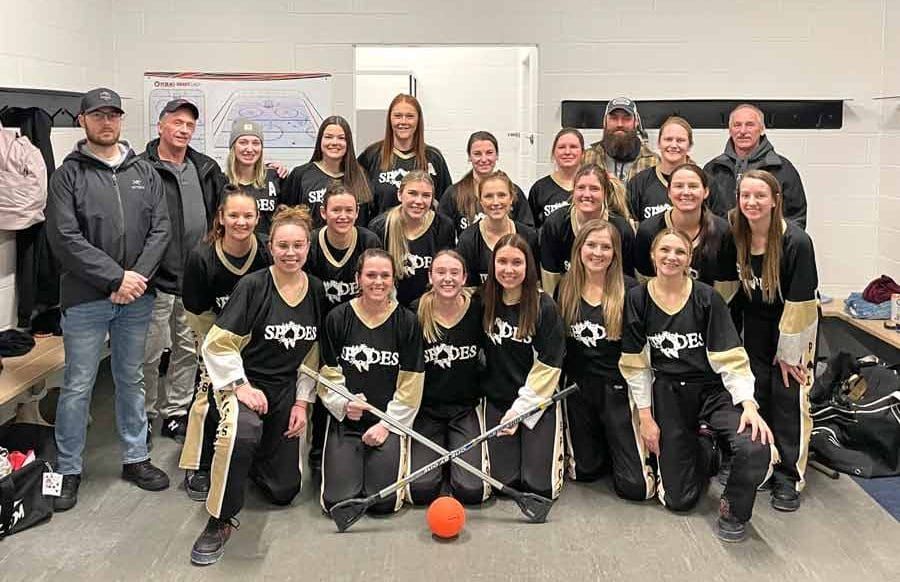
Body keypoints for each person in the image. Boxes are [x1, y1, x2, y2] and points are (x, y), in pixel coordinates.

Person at [46, 87, 171, 511]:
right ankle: (67, 469)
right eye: (97, 115)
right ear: (82, 120)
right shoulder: (67, 175)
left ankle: (136, 458)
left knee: (130, 379)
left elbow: (161, 230)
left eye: (113, 115)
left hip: (136, 297)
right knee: (78, 385)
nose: (106, 122)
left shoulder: (144, 171)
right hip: (85, 298)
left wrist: (134, 280)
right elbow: (64, 238)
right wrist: (116, 277)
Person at [619, 228, 774, 542]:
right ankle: (707, 449)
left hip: (712, 389)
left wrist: (748, 405)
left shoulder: (707, 298)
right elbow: (635, 366)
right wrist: (646, 418)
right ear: (652, 255)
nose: (671, 257)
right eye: (665, 250)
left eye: (679, 252)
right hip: (669, 391)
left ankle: (734, 510)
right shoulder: (637, 299)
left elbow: (731, 357)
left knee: (755, 445)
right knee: (679, 500)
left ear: (689, 259)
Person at [190, 206, 325, 565]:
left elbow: (312, 353)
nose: (291, 253)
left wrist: (301, 404)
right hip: (247, 380)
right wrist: (239, 386)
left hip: (285, 387)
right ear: (271, 247)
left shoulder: (316, 289)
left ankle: (248, 464)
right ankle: (219, 519)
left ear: (308, 247)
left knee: (284, 491)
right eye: (283, 245)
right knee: (242, 431)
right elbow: (216, 343)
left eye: (298, 245)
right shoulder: (252, 286)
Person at [730, 169, 818, 512]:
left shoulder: (796, 242)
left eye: (760, 196)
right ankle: (764, 465)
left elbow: (800, 302)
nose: (752, 202)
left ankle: (788, 475)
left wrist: (789, 354)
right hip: (753, 328)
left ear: (775, 201)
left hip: (792, 329)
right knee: (757, 397)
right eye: (745, 196)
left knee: (788, 400)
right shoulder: (735, 236)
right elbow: (728, 292)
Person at [141, 98, 227, 444]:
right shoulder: (141, 168)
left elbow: (229, 205)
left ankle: (176, 412)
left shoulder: (203, 167)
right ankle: (144, 414)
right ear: (161, 125)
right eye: (177, 122)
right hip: (154, 280)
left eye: (190, 125)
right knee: (147, 354)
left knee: (187, 351)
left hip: (192, 280)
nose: (183, 130)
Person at [179, 185, 271, 502]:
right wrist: (217, 350)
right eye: (234, 215)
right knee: (208, 391)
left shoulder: (265, 252)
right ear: (221, 217)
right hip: (216, 339)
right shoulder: (201, 258)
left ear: (258, 218)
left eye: (248, 215)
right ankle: (199, 464)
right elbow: (196, 311)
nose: (241, 222)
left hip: (257, 341)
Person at [317, 248, 425, 514]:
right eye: (371, 275)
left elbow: (412, 383)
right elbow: (327, 375)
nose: (378, 282)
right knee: (338, 502)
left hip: (386, 422)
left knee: (383, 502)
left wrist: (387, 425)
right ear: (358, 279)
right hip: (348, 420)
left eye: (385, 276)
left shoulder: (407, 322)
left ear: (393, 280)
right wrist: (344, 404)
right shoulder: (338, 318)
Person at [556, 219, 654, 500]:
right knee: (583, 471)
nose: (597, 252)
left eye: (605, 247)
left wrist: (645, 412)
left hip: (617, 389)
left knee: (635, 488)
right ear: (579, 248)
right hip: (578, 390)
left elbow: (639, 355)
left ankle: (621, 443)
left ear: (615, 253)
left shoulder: (630, 290)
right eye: (591, 245)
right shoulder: (565, 288)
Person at [303, 183, 382, 473]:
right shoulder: (312, 243)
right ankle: (318, 450)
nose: (342, 215)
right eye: (336, 209)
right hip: (322, 329)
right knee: (325, 390)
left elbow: (379, 282)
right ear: (323, 211)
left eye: (349, 210)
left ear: (357, 212)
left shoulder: (369, 240)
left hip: (360, 327)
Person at [482, 233, 565, 499]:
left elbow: (548, 367)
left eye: (516, 263)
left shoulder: (544, 306)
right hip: (497, 401)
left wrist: (520, 410)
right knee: (503, 484)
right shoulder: (482, 302)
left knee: (539, 487)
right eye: (502, 262)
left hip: (535, 402)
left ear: (528, 266)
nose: (508, 270)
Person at [407, 251, 488, 505]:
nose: (447, 279)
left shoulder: (478, 309)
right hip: (427, 410)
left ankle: (456, 460)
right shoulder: (415, 312)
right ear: (430, 276)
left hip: (465, 409)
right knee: (420, 490)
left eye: (454, 273)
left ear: (465, 277)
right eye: (440, 272)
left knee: (470, 490)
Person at [634, 163, 737, 299]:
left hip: (708, 312)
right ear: (669, 192)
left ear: (706, 192)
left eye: (693, 186)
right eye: (679, 186)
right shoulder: (648, 231)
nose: (686, 192)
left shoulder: (723, 231)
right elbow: (644, 280)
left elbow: (728, 286)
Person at [704, 104, 807, 228]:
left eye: (750, 125)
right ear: (730, 130)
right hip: (723, 246)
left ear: (762, 129)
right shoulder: (713, 169)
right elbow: (702, 215)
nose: (742, 131)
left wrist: (777, 242)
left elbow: (797, 217)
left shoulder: (782, 168)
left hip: (769, 246)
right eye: (737, 125)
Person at [540, 164, 635, 296]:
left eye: (594, 189)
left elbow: (626, 280)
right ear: (573, 191)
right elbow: (550, 280)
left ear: (605, 193)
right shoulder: (556, 224)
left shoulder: (621, 230)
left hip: (610, 301)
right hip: (568, 301)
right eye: (581, 188)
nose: (587, 194)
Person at [369, 171, 455, 306]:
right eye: (412, 193)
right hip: (390, 308)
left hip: (430, 307)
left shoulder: (443, 226)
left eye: (426, 196)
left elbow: (446, 272)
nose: (419, 201)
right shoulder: (380, 227)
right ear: (399, 194)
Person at [357, 94, 452, 215]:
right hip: (381, 232)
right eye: (398, 116)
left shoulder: (433, 158)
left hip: (424, 232)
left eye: (410, 116)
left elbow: (446, 206)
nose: (403, 121)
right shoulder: (371, 156)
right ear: (389, 119)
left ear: (418, 120)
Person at [283, 115, 373, 228]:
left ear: (348, 143)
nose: (334, 142)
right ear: (320, 140)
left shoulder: (360, 176)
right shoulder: (300, 174)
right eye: (328, 137)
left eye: (341, 138)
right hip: (311, 244)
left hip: (351, 244)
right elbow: (286, 217)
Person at [438, 131, 533, 236]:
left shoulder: (514, 192)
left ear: (497, 155)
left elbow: (527, 232)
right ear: (469, 157)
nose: (484, 159)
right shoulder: (454, 194)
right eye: (477, 154)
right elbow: (442, 233)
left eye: (489, 153)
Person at [456, 170, 539, 287]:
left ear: (511, 198)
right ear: (480, 201)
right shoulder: (468, 240)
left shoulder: (529, 237)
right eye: (489, 196)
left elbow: (533, 283)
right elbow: (466, 289)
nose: (496, 202)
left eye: (501, 195)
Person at [223, 118, 283, 238]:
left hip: (267, 252)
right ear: (233, 147)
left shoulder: (275, 178)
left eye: (255, 143)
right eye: (243, 142)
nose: (250, 149)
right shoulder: (221, 182)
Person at [627, 116, 693, 222]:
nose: (673, 145)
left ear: (689, 146)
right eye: (668, 139)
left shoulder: (703, 183)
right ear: (658, 143)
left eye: (680, 140)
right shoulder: (638, 183)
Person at [582, 97, 658, 184]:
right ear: (604, 121)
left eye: (626, 118)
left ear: (636, 122)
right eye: (614, 118)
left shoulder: (653, 162)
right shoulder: (587, 158)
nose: (620, 124)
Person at [528, 128, 583, 230]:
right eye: (561, 147)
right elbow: (531, 230)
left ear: (583, 153)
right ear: (553, 153)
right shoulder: (540, 189)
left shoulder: (591, 186)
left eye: (573, 147)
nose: (567, 152)